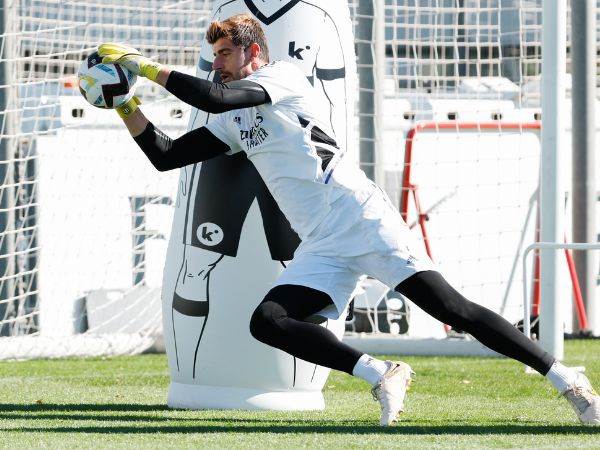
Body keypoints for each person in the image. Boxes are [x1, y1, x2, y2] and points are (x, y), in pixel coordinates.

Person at [97, 13, 600, 426]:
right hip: (321, 243)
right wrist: (126, 105)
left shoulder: (282, 78)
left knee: (453, 310)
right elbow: (167, 155)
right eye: (217, 55)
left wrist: (141, 65)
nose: (219, 64)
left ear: (254, 52)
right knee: (269, 322)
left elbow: (214, 98)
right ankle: (381, 374)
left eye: (226, 53)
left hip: (360, 217)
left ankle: (566, 378)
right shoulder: (234, 116)